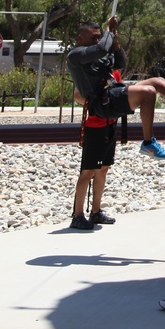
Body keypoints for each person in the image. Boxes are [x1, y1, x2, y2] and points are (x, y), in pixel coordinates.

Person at [66, 16, 165, 163]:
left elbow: (119, 63)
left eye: (98, 37)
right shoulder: (75, 55)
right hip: (102, 102)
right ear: (80, 38)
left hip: (113, 93)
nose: (96, 40)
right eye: (93, 38)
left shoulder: (96, 55)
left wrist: (115, 45)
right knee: (148, 93)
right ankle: (148, 143)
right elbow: (101, 49)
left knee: (157, 82)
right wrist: (108, 29)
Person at [70, 54, 123, 231]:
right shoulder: (91, 75)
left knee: (103, 168)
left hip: (110, 126)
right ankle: (77, 215)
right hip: (95, 127)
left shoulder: (114, 73)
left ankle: (96, 210)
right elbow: (78, 95)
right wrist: (96, 105)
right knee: (88, 171)